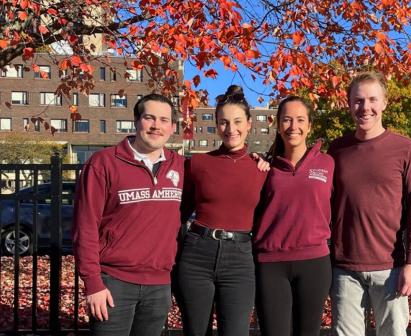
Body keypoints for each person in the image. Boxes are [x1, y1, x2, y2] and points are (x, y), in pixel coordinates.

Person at [73, 93, 184, 336]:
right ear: (136, 121)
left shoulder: (181, 166)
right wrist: (93, 284)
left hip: (159, 285)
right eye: (149, 118)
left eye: (164, 120)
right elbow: (86, 227)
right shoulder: (103, 163)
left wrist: (257, 160)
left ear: (173, 127)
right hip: (113, 283)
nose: (157, 126)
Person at [328, 71, 411, 336]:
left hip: (391, 266)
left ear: (384, 102)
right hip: (344, 267)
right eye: (358, 100)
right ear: (348, 104)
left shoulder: (405, 149)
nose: (365, 108)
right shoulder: (336, 151)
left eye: (372, 99)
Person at [176, 85, 268, 336]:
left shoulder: (261, 169)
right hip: (197, 253)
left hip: (240, 258)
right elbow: (178, 214)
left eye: (237, 121)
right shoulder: (198, 163)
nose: (231, 129)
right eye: (223, 122)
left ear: (249, 124)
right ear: (217, 125)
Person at [253, 96, 334, 336]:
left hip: (314, 263)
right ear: (278, 125)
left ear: (310, 125)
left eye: (300, 120)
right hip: (271, 264)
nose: (293, 126)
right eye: (286, 120)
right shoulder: (264, 167)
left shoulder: (328, 163)